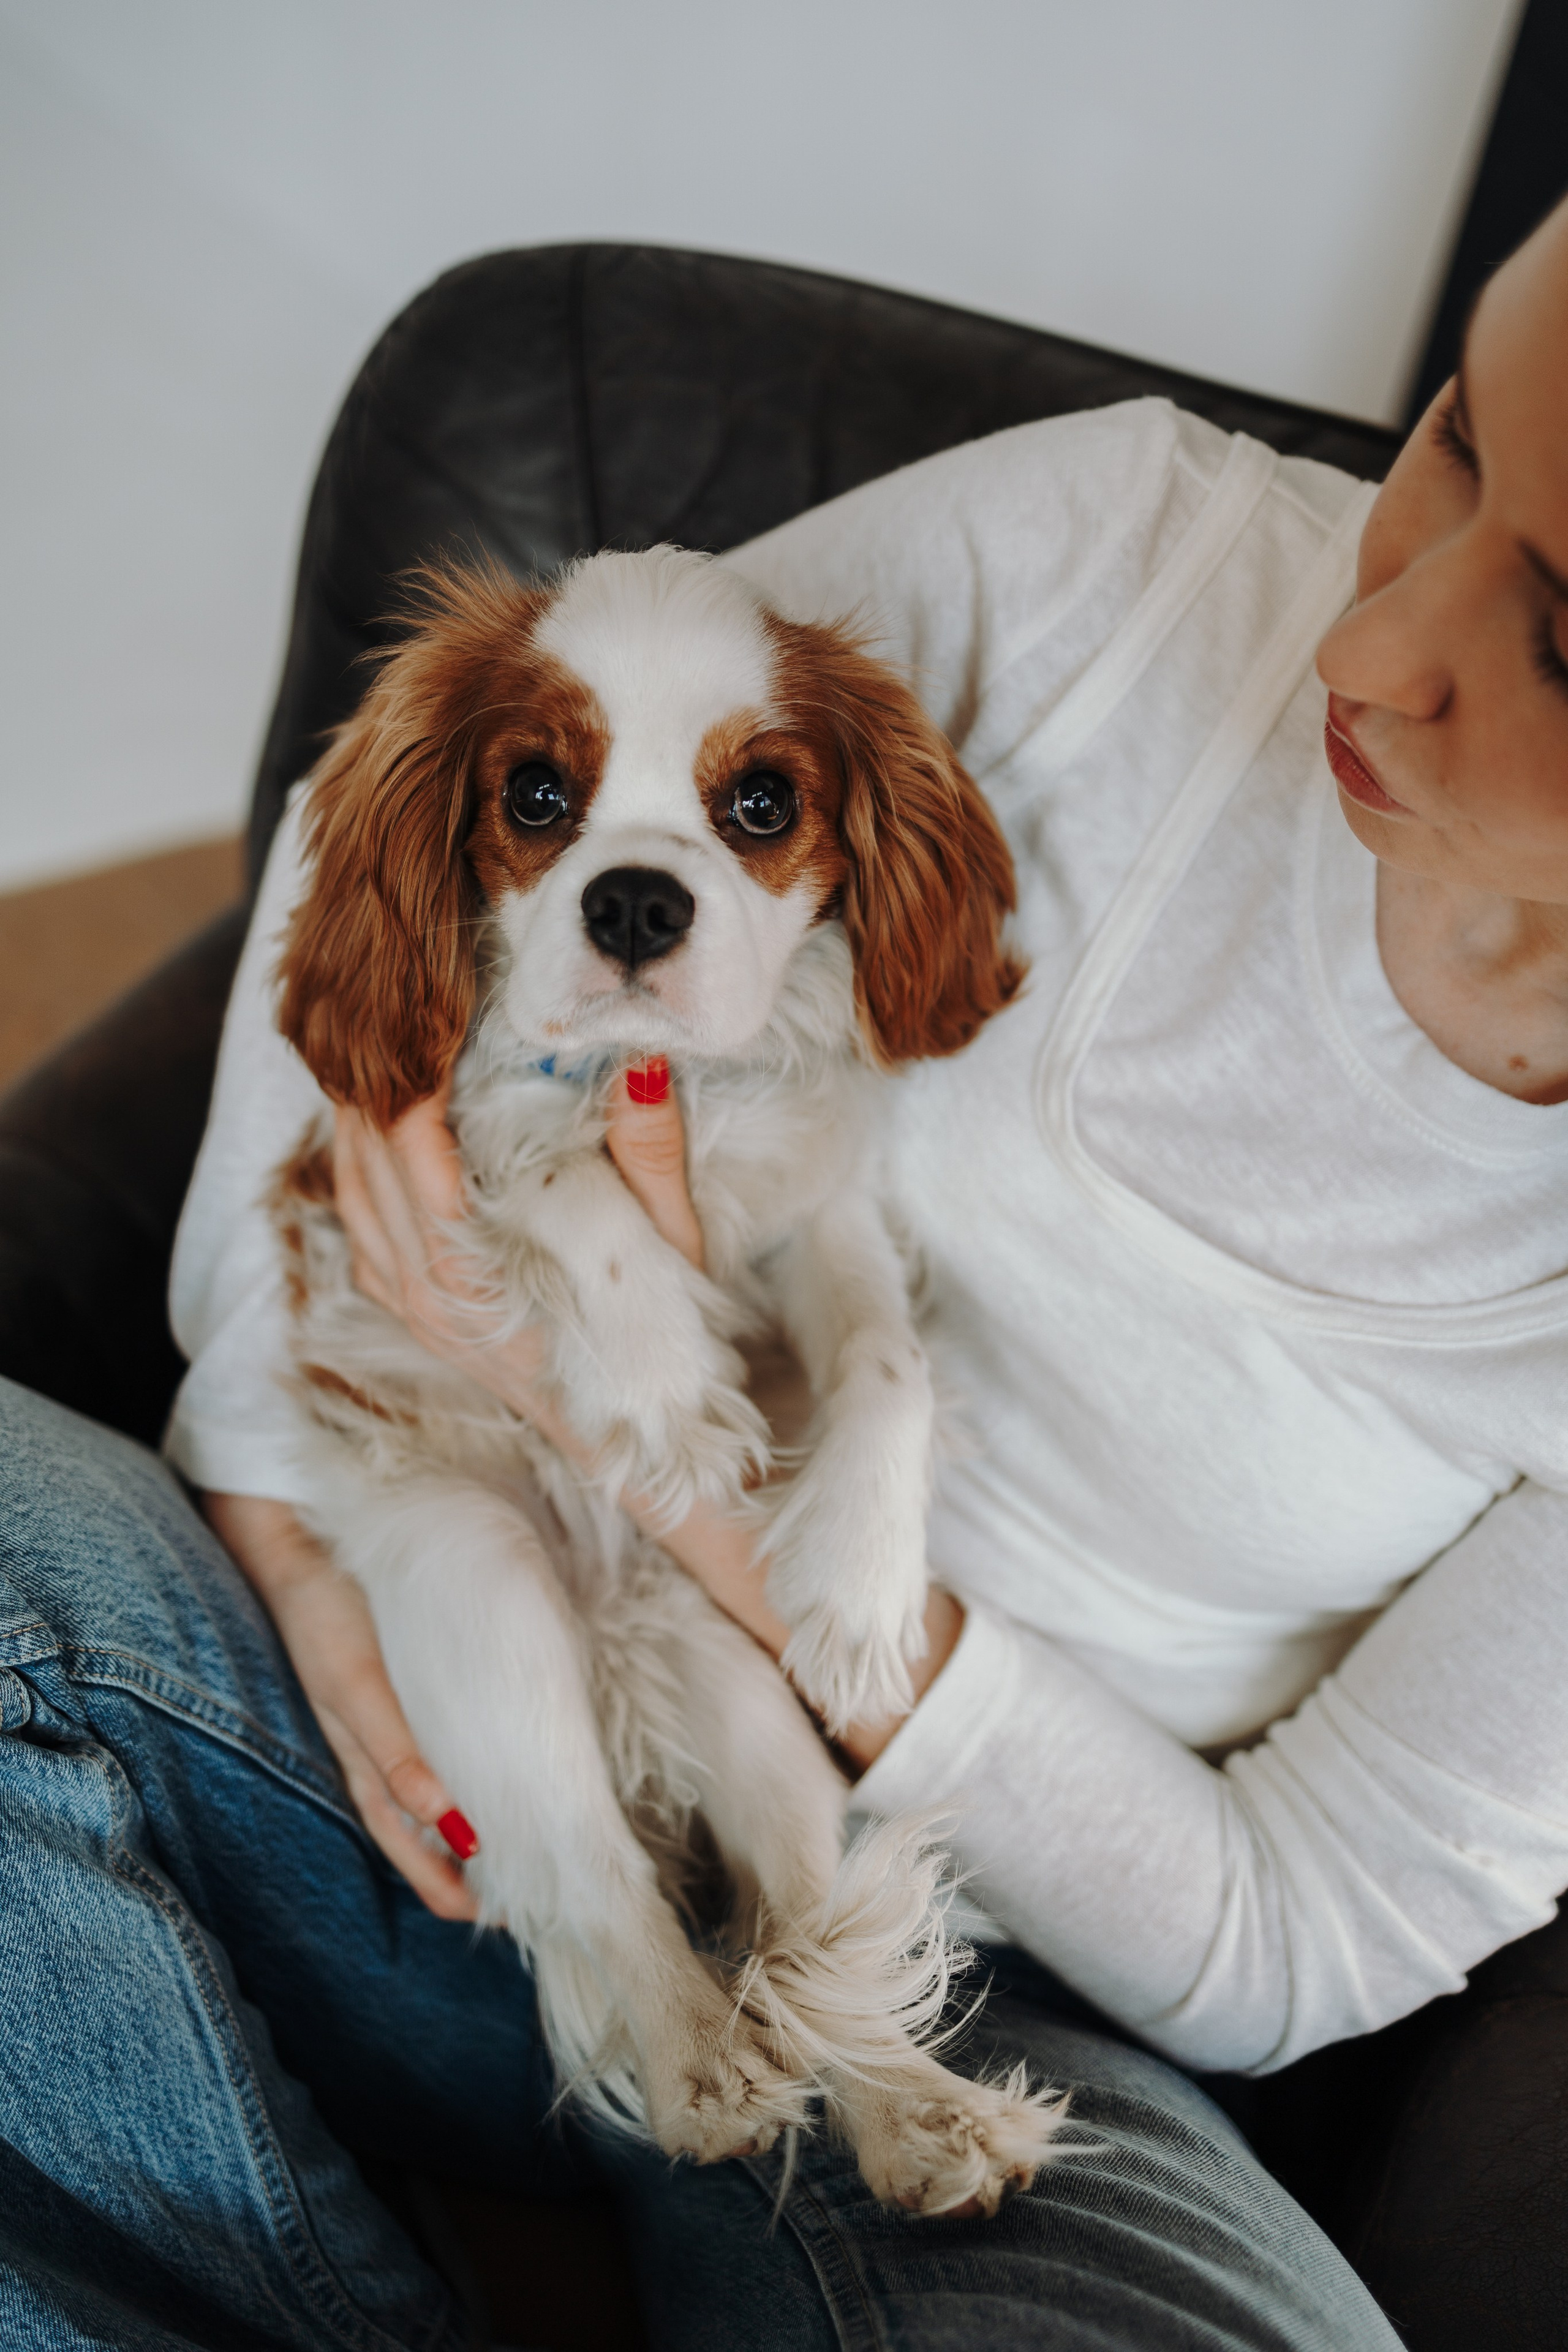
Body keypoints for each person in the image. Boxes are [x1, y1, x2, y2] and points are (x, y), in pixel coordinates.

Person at [5, 196, 1568, 2350]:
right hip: (404, 1684)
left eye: (1565, 633)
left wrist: (749, 1553)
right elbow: (411, 826)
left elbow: (1304, 1930)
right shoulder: (1130, 548)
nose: (1368, 646)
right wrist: (280, 1471)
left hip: (1001, 1979)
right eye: (1459, 437)